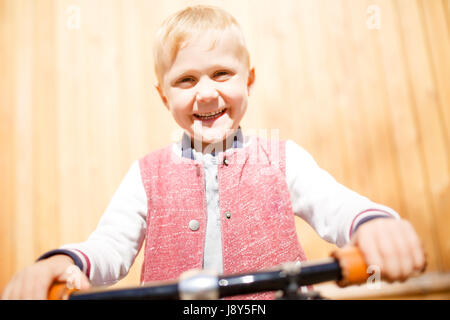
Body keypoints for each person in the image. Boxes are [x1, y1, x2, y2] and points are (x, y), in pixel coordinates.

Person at [1, 5, 426, 300]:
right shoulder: (146, 174)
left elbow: (335, 205)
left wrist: (373, 226)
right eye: (186, 80)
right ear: (164, 97)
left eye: (222, 73)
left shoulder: (283, 158)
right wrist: (61, 263)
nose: (206, 92)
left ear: (249, 80)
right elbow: (110, 247)